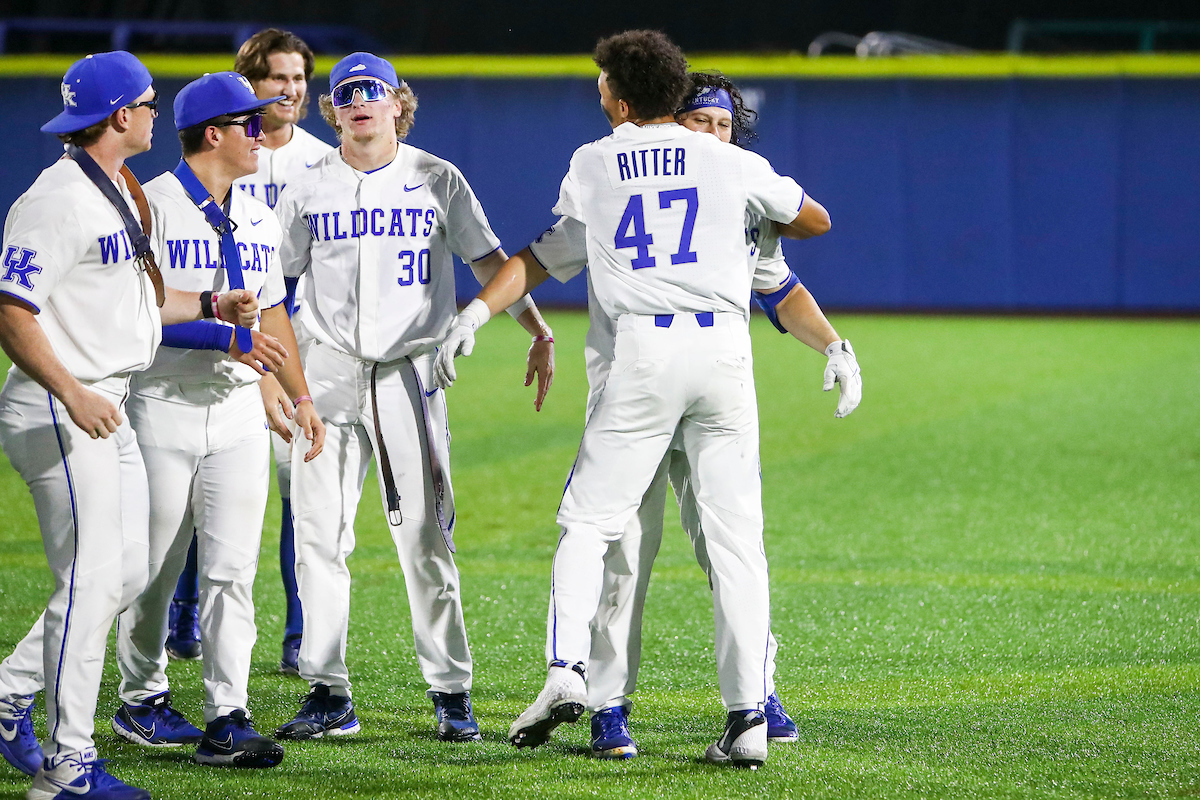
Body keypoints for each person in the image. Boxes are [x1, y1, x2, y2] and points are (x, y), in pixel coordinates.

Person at [434, 30, 857, 768]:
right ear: (680, 102)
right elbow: (815, 220)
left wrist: (473, 315)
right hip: (722, 357)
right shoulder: (735, 169)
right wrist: (749, 191)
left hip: (640, 359)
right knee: (733, 548)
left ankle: (571, 675)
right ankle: (741, 715)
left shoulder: (598, 163)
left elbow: (541, 253)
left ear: (622, 100)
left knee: (593, 528)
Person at [273, 52, 555, 743]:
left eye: (374, 91)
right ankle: (327, 688)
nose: (361, 101)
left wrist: (538, 328)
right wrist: (275, 380)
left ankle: (451, 690)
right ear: (332, 110)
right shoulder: (307, 188)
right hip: (327, 372)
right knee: (317, 537)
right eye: (347, 93)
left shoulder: (437, 177)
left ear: (399, 103)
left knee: (426, 537)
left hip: (409, 375)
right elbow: (276, 293)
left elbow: (488, 261)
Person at [0, 51, 260, 799]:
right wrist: (71, 392)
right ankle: (66, 765)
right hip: (62, 403)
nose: (155, 112)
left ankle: (13, 694)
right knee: (87, 584)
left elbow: (142, 303)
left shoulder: (118, 190)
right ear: (120, 116)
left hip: (104, 401)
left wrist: (213, 305)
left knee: (126, 573)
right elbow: (12, 312)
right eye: (147, 103)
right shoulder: (55, 200)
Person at [581, 71, 858, 760]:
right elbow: (817, 218)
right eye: (698, 123)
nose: (711, 135)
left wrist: (833, 343)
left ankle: (753, 696)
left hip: (704, 381)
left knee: (730, 546)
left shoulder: (734, 201)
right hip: (631, 380)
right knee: (624, 553)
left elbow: (778, 283)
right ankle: (608, 705)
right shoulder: (633, 176)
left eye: (722, 126)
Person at [109, 71, 325, 769]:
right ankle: (141, 698)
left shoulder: (257, 215)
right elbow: (140, 318)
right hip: (161, 406)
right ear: (213, 134)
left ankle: (226, 714)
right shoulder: (153, 207)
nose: (263, 135)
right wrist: (227, 334)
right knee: (150, 568)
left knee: (234, 569)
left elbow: (272, 316)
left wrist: (299, 394)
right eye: (250, 125)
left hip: (235, 411)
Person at [163, 27, 333, 675]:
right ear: (248, 88)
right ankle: (180, 616)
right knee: (197, 492)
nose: (289, 91)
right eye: (276, 79)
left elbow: (290, 287)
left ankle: (297, 633)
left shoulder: (323, 162)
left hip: (291, 339)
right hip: (203, 343)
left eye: (298, 79)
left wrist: (294, 376)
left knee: (297, 491)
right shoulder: (201, 172)